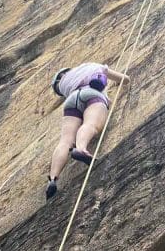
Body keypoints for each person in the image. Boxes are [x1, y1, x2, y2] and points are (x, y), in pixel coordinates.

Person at [46, 61, 130, 200]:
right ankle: (81, 149)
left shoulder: (65, 85)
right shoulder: (89, 66)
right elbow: (125, 79)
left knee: (65, 141)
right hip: (92, 94)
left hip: (71, 101)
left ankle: (53, 179)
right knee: (91, 124)